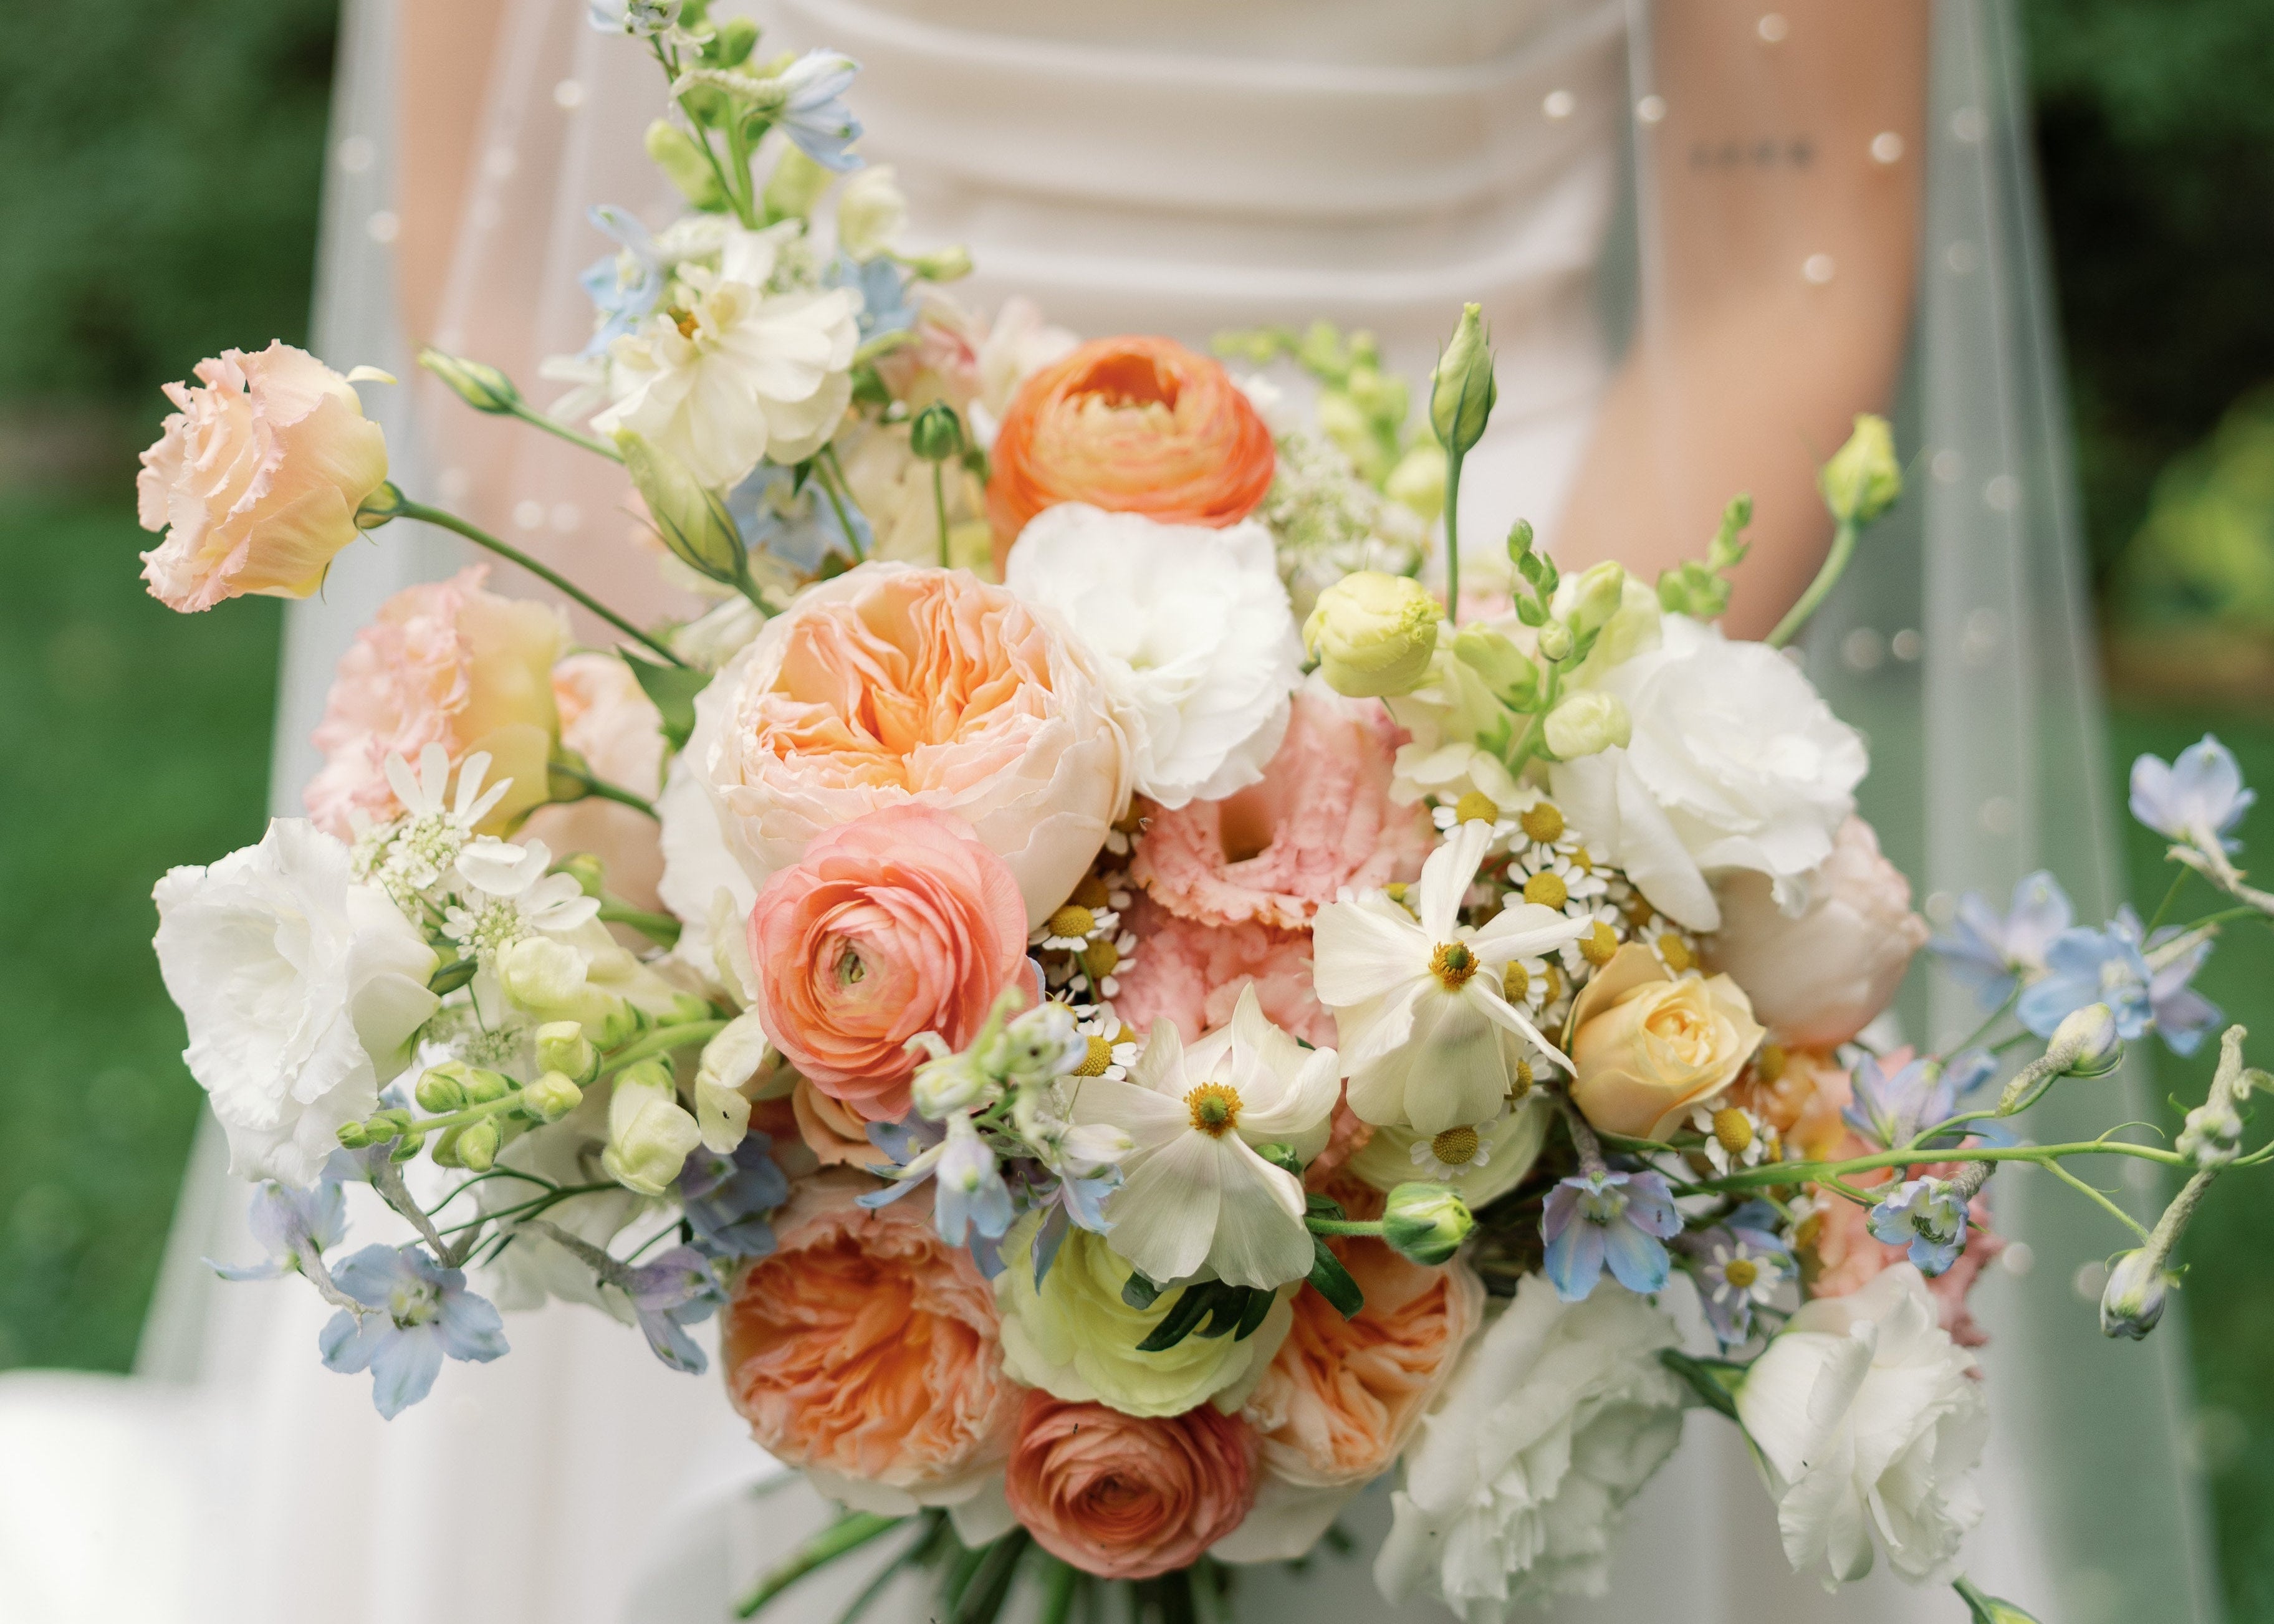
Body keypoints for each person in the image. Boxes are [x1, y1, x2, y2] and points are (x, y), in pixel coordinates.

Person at [0, 3, 2220, 1622]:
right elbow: (491, 258)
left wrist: (1513, 834)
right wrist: (754, 814)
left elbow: (1782, 260)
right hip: (789, 616)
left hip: (1486, 614)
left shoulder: (1501, 789)